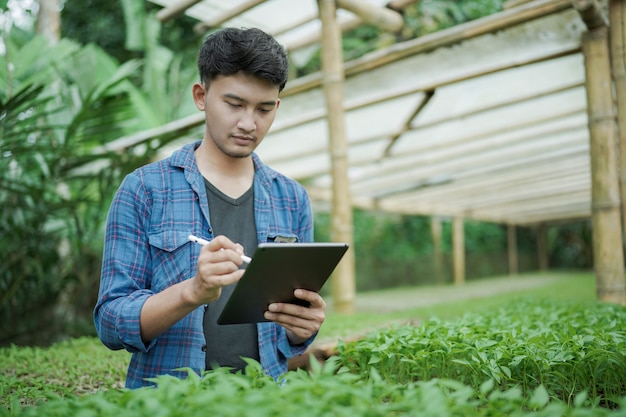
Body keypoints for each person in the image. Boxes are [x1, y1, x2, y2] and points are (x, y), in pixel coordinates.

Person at [94, 27, 326, 389]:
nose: (249, 123)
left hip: (268, 400)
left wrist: (301, 330)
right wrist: (191, 292)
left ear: (276, 107)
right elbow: (110, 322)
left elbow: (287, 335)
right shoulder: (143, 190)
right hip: (170, 404)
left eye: (264, 109)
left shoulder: (292, 198)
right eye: (234, 104)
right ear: (201, 96)